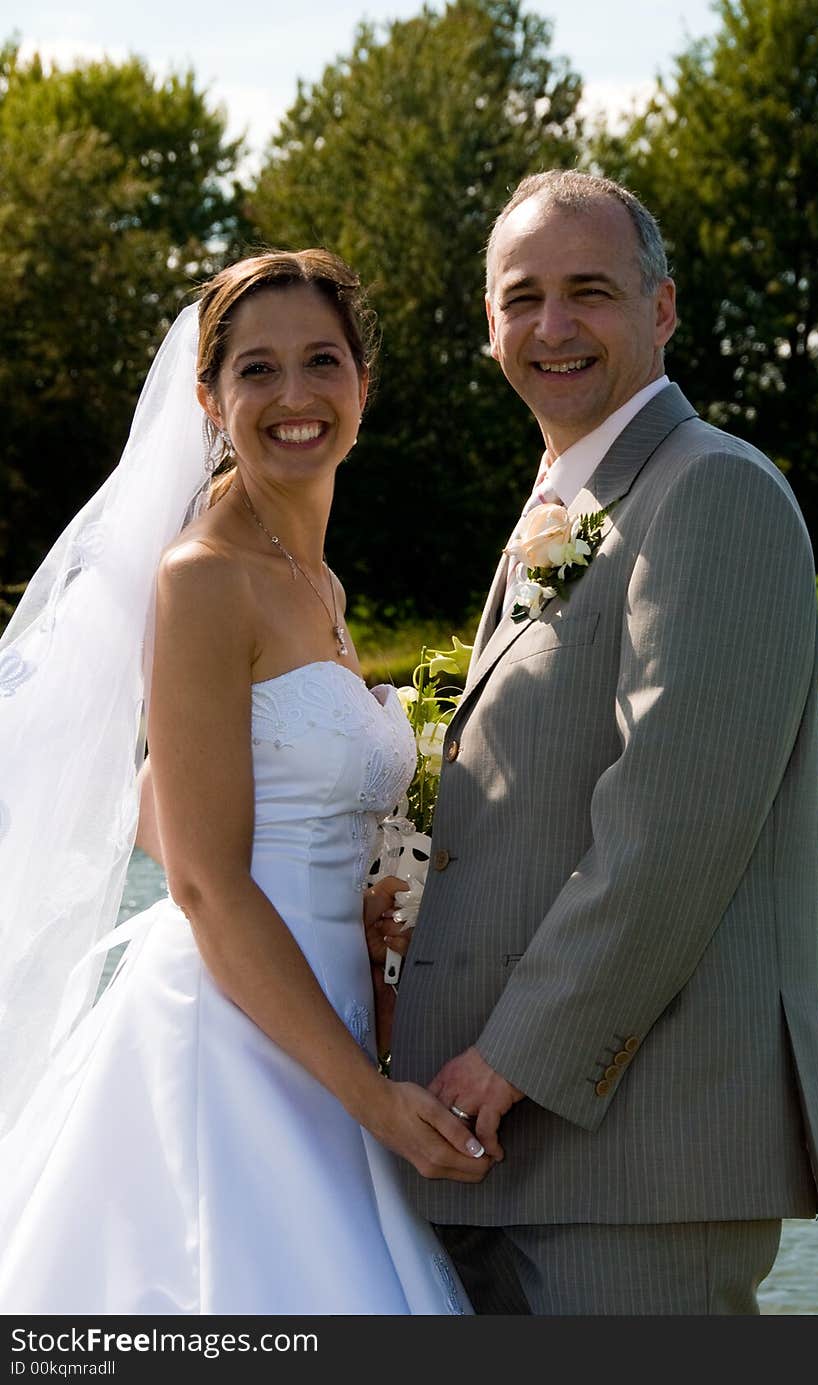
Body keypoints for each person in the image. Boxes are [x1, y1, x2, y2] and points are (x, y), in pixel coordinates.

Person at [0, 249, 484, 1315]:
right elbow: (210, 886)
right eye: (257, 370)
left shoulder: (317, 578)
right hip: (233, 1038)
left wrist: (355, 905)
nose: (295, 395)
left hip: (330, 1007)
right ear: (210, 399)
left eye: (322, 360)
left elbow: (150, 805)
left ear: (362, 380)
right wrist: (374, 1101)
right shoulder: (203, 576)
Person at [390, 170, 818, 1315]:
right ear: (487, 321)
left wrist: (515, 1057)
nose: (552, 326)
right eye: (521, 296)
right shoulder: (573, 502)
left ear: (663, 308)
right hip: (502, 1148)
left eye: (588, 290)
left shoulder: (711, 492)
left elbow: (668, 830)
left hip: (638, 1145)